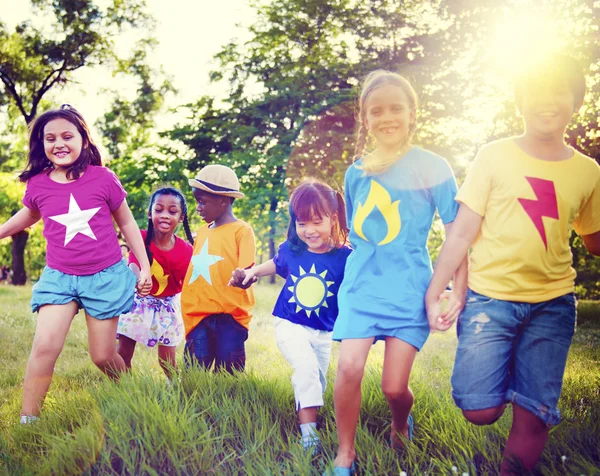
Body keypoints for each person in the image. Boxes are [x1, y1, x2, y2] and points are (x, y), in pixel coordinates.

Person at [425, 54, 600, 474]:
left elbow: (594, 241)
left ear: (576, 101)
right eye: (536, 90)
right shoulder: (494, 156)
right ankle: (506, 378)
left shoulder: (588, 171)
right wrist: (437, 290)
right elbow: (462, 233)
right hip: (490, 301)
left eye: (559, 91)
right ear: (519, 99)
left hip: (553, 304)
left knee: (535, 413)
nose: (547, 100)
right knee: (479, 409)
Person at [329, 70, 467, 474]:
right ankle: (345, 452)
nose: (386, 117)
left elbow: (458, 230)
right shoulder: (356, 172)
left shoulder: (433, 166)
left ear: (411, 113)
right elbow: (358, 234)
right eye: (376, 111)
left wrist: (457, 290)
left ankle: (399, 422)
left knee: (394, 387)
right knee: (349, 366)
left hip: (409, 290)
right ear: (366, 119)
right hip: (363, 288)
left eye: (395, 108)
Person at [0, 104, 151, 424]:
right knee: (44, 347)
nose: (59, 144)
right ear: (41, 144)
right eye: (49, 138)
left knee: (102, 356)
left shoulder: (103, 179)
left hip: (104, 276)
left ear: (84, 139)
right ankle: (30, 420)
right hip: (60, 278)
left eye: (67, 136)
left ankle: (130, 390)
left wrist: (146, 265)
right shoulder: (39, 183)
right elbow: (29, 214)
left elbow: (127, 223)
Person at [229, 179, 352, 454]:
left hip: (324, 331)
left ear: (333, 219)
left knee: (318, 379)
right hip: (290, 323)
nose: (309, 230)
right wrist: (250, 273)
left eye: (316, 222)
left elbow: (363, 283)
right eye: (302, 223)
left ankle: (314, 420)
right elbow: (273, 264)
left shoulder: (345, 257)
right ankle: (308, 439)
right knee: (306, 369)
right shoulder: (292, 249)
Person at [181, 164, 256, 374]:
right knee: (195, 374)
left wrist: (245, 277)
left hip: (230, 317)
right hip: (199, 315)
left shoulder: (242, 230)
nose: (197, 207)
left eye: (202, 202)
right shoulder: (202, 232)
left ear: (223, 201)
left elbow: (248, 270)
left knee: (228, 374)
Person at [117, 187, 194, 381]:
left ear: (182, 217)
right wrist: (138, 280)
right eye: (158, 210)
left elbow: (189, 283)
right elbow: (134, 262)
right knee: (124, 353)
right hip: (138, 303)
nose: (165, 215)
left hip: (167, 307)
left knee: (166, 361)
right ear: (150, 214)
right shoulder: (141, 238)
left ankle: (175, 388)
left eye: (172, 211)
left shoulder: (187, 251)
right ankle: (124, 388)